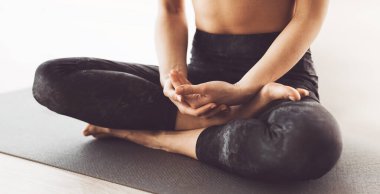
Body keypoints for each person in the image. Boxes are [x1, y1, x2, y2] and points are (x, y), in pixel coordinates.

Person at [32, 0, 342, 182]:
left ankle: (156, 138)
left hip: (279, 79)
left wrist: (243, 88)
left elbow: (307, 20)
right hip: (202, 77)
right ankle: (226, 118)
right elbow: (171, 11)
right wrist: (173, 82)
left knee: (312, 142)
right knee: (52, 78)